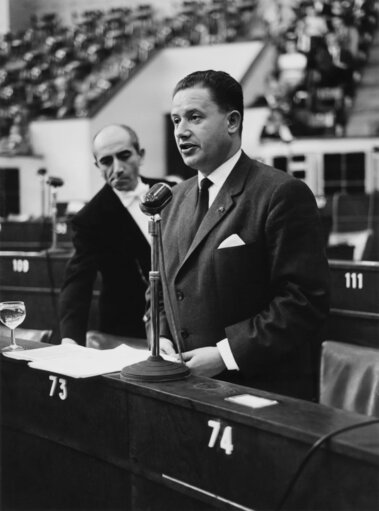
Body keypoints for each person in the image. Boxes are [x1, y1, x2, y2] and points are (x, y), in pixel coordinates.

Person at [150, 70, 330, 400]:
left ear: (232, 122)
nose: (181, 132)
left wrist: (226, 354)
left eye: (194, 117)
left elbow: (304, 300)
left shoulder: (280, 193)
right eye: (176, 120)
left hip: (260, 392)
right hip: (184, 388)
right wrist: (160, 336)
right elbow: (159, 291)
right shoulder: (172, 199)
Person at [59, 124, 173, 346]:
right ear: (97, 166)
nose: (117, 168)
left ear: (140, 156)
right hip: (127, 330)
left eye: (124, 156)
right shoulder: (89, 219)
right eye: (107, 161)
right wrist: (70, 341)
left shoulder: (173, 190)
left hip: (182, 321)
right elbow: (77, 282)